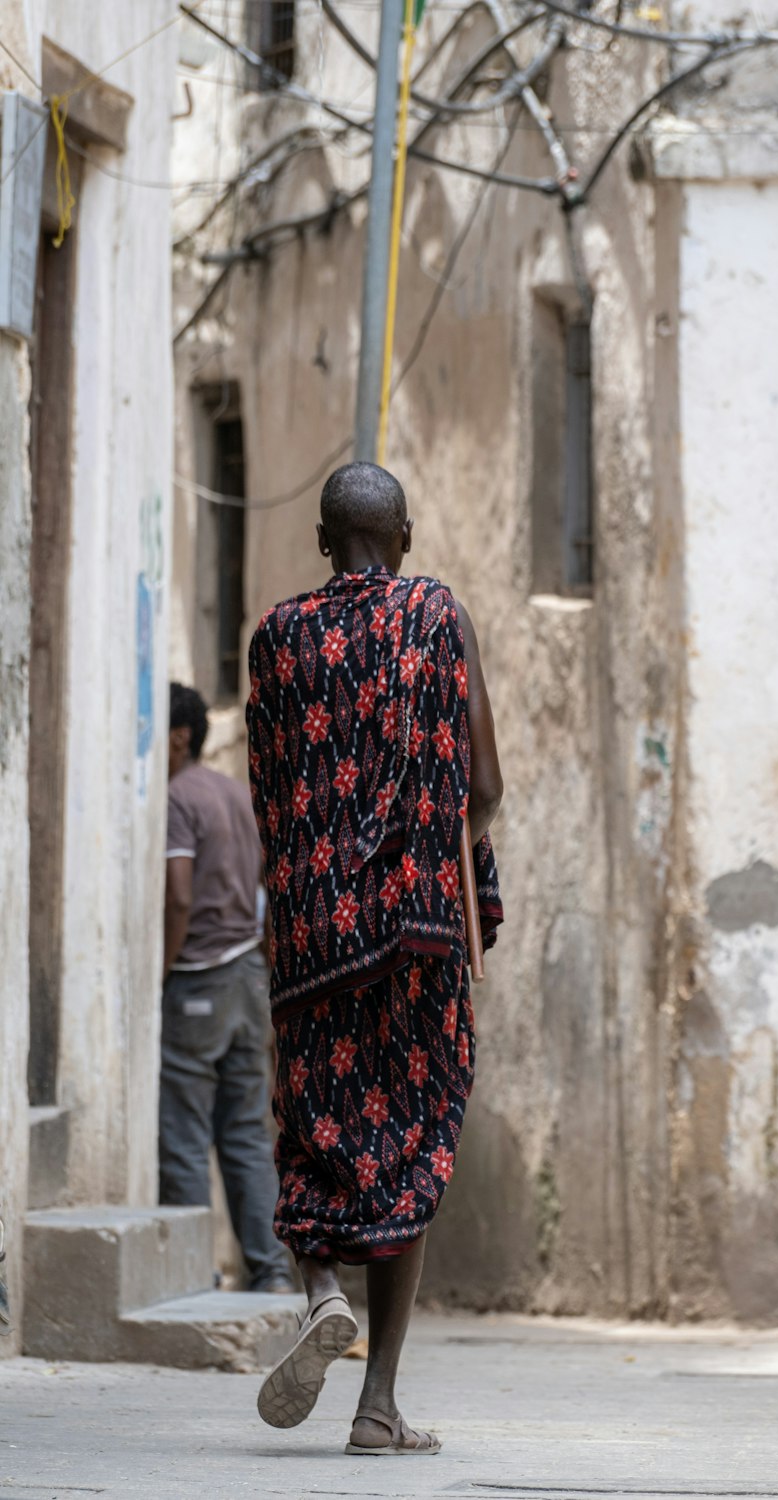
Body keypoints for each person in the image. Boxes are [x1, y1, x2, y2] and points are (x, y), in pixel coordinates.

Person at [246, 462, 503, 1451]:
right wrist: (458, 846)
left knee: (313, 1121)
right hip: (415, 935)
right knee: (409, 1136)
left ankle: (318, 1292)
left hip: (310, 935)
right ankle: (377, 1404)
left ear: (322, 542)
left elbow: (272, 786)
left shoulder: (275, 636)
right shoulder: (436, 615)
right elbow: (480, 777)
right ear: (402, 535)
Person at [161, 682, 292, 1294]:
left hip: (200, 978)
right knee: (242, 1131)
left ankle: (192, 1276)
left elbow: (180, 893)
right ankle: (270, 1274)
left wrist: (162, 967)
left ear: (179, 738)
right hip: (249, 978)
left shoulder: (177, 799)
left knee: (184, 1130)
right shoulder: (237, 795)